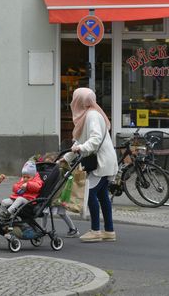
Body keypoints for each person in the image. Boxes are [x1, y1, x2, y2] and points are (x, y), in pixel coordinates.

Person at [64, 87, 118, 242]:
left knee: (90, 194)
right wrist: (66, 158)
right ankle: (109, 231)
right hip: (105, 161)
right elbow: (80, 141)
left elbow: (94, 139)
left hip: (101, 162)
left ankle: (95, 230)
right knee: (102, 196)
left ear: (79, 101)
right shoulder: (90, 114)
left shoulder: (92, 115)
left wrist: (82, 148)